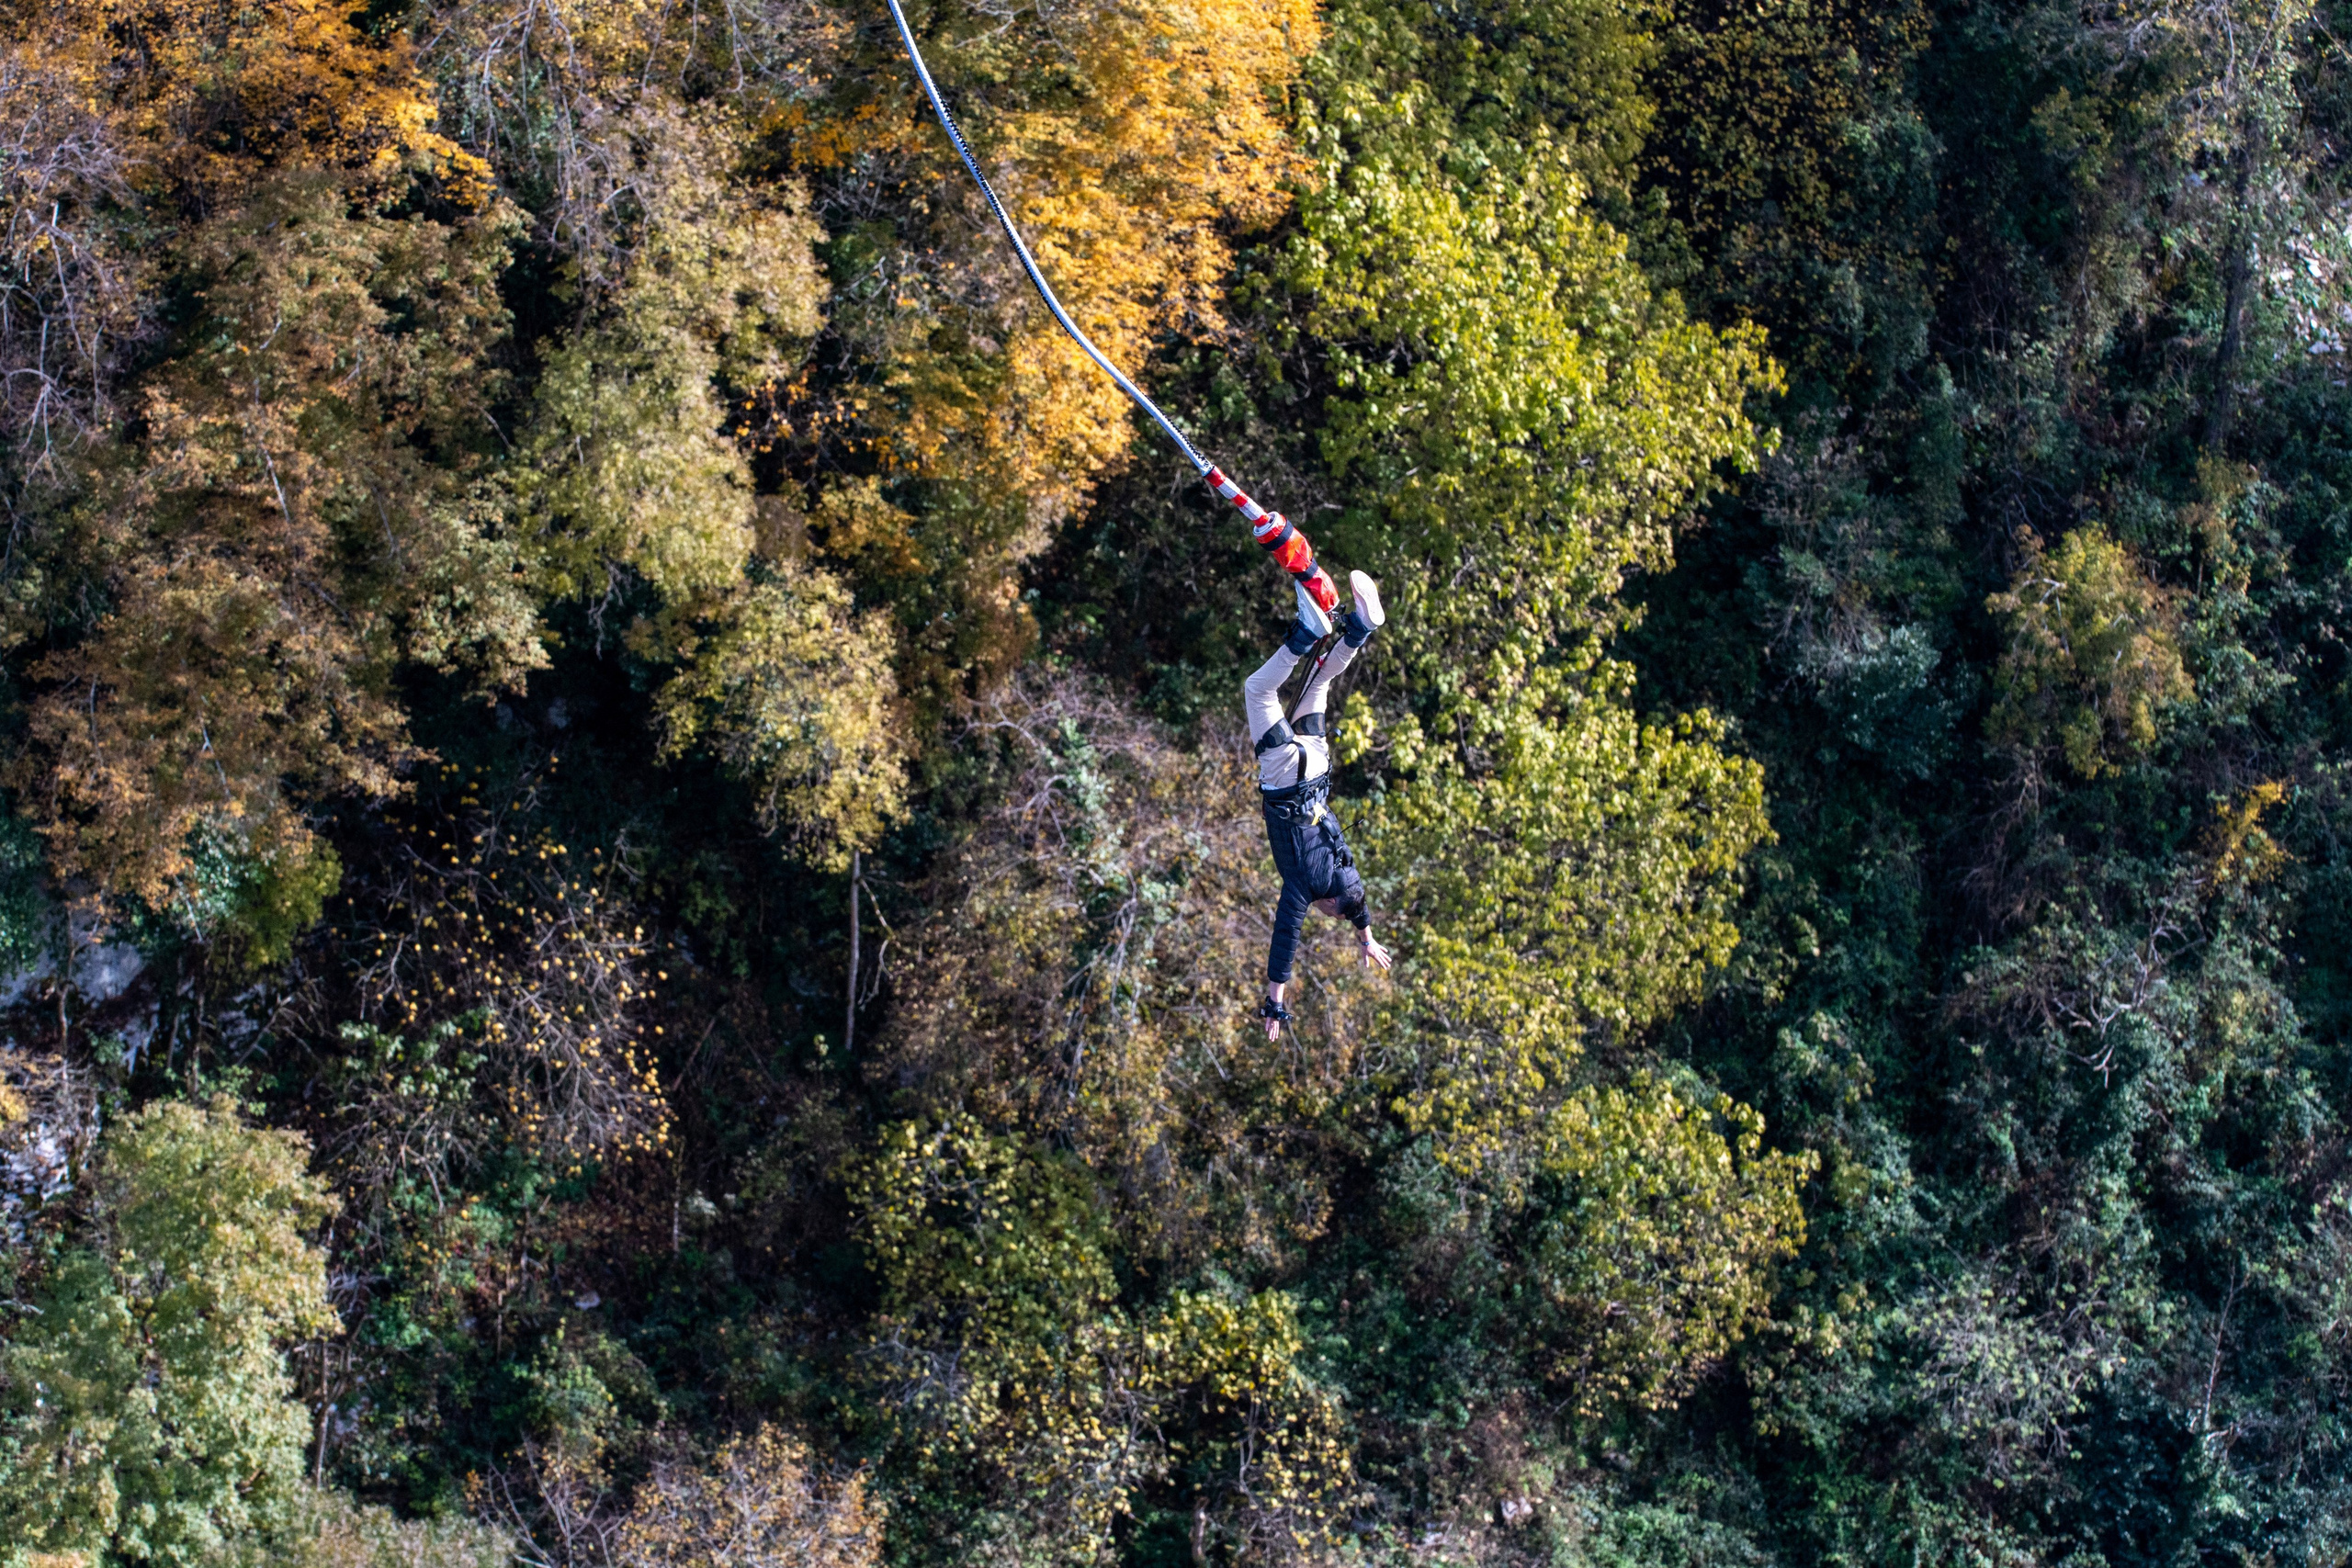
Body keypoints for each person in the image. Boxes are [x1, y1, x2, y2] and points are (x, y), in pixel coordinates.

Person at [1248, 570, 1393, 1039]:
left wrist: (1367, 939)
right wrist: (1275, 1004)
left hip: (1317, 768)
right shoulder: (1306, 887)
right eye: (1330, 913)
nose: (1329, 916)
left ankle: (1359, 631)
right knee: (1259, 690)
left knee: (1317, 685)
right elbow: (1284, 942)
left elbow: (1358, 904)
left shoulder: (1344, 871)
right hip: (1286, 777)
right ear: (1324, 902)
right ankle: (1307, 632)